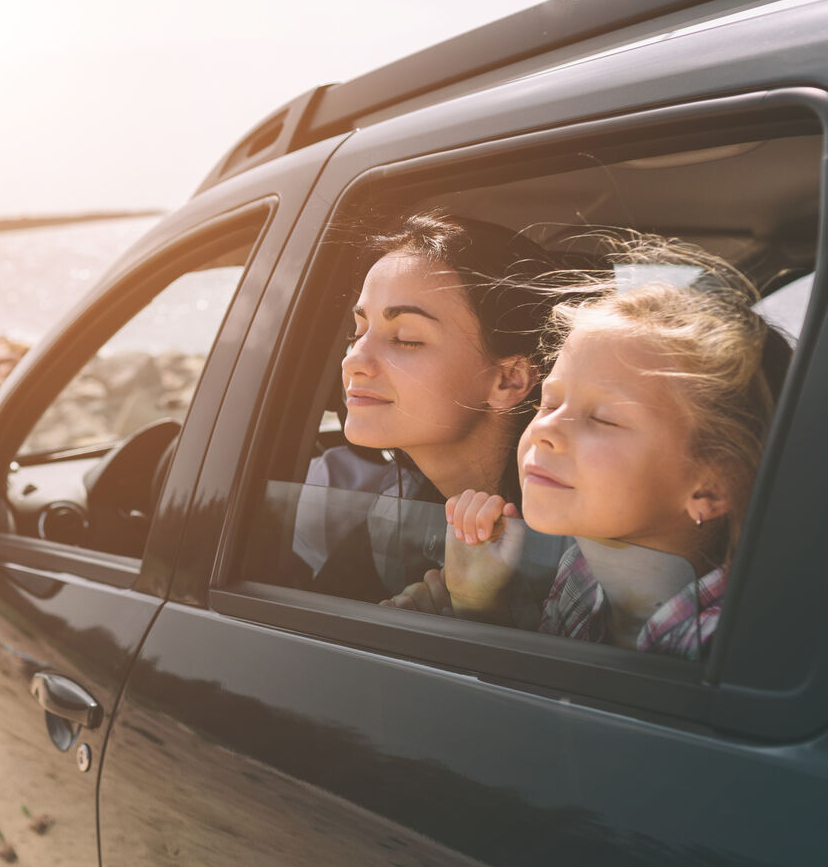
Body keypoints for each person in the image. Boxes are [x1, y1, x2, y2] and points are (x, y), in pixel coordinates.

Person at [387, 237, 789, 659]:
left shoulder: (733, 653)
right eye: (550, 402)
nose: (545, 429)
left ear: (712, 487)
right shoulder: (581, 575)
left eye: (603, 419)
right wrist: (477, 605)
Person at [290, 209, 559, 599]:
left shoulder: (572, 554)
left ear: (508, 379)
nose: (352, 360)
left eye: (405, 338)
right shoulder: (393, 517)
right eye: (358, 331)